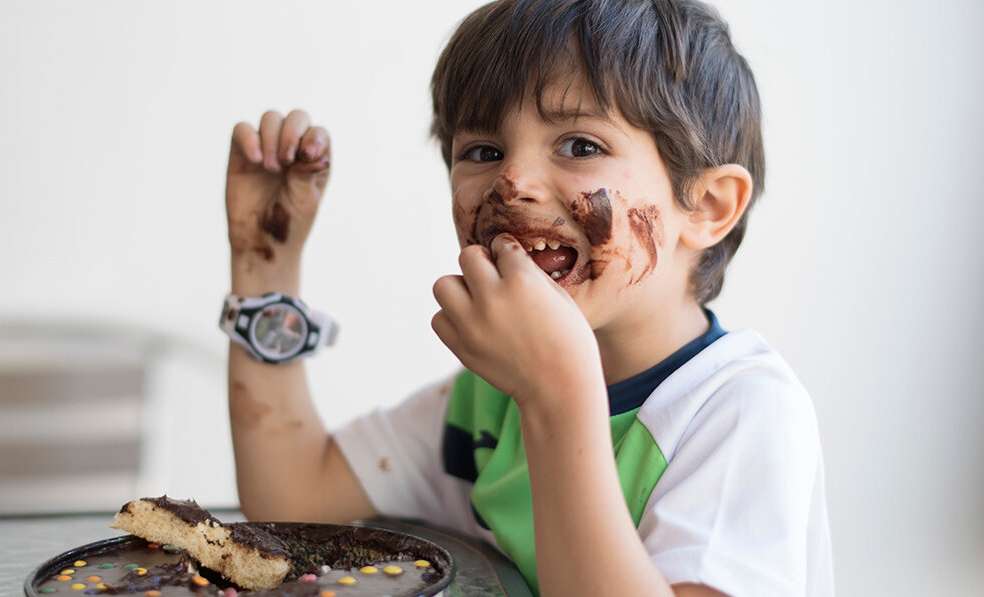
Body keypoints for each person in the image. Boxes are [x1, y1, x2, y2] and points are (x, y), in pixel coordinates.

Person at [220, 0, 832, 595]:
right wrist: (264, 261)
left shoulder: (740, 414)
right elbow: (290, 494)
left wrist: (556, 395)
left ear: (706, 205)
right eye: (483, 152)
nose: (512, 183)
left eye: (580, 145)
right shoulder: (487, 402)